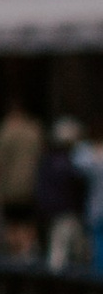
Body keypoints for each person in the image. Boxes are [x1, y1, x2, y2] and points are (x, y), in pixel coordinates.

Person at [0, 95, 45, 256]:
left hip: (9, 189)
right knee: (27, 224)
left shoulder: (4, 131)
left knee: (11, 225)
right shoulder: (35, 130)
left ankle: (15, 256)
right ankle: (26, 254)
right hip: (31, 187)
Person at [35, 114, 92, 271]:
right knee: (60, 257)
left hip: (50, 212)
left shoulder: (48, 160)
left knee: (63, 253)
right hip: (65, 213)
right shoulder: (69, 163)